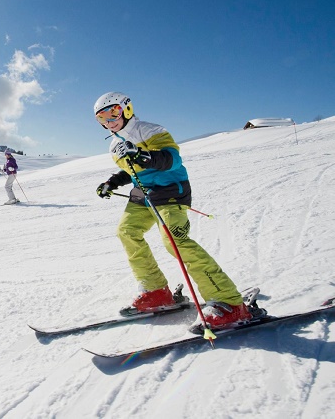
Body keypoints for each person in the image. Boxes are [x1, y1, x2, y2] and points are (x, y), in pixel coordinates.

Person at [93, 91, 251, 332]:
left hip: (169, 190)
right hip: (143, 192)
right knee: (126, 232)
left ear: (125, 109)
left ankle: (229, 302)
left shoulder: (149, 131)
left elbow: (171, 159)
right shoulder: (115, 145)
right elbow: (131, 170)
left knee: (174, 240)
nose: (108, 120)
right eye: (101, 117)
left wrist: (143, 155)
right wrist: (112, 183)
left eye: (112, 112)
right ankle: (157, 292)